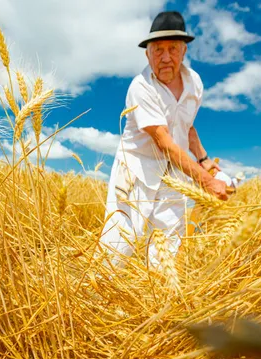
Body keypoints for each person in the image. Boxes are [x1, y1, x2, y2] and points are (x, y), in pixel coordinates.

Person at [99, 10, 229, 270]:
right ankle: (94, 297)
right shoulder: (141, 87)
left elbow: (187, 126)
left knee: (167, 247)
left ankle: (159, 303)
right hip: (137, 170)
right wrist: (206, 181)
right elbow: (164, 141)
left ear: (184, 52)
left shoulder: (195, 84)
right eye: (158, 50)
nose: (166, 57)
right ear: (147, 54)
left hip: (175, 172)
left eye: (172, 49)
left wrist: (203, 159)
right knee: (119, 244)